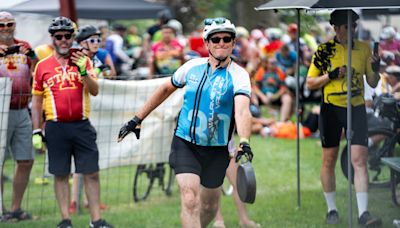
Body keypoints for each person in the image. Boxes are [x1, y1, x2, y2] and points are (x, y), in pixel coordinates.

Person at [118, 17, 254, 228]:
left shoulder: (239, 76)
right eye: (215, 39)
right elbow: (164, 89)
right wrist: (137, 119)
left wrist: (244, 139)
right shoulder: (192, 67)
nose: (221, 43)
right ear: (207, 43)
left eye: (227, 38)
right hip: (185, 143)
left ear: (234, 42)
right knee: (190, 199)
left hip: (217, 150)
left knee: (209, 207)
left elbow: (243, 110)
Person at [31, 16, 113, 228]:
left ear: (73, 37)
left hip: (81, 125)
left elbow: (94, 91)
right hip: (56, 126)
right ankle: (65, 220)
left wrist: (83, 71)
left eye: (68, 36)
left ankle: (96, 221)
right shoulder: (42, 66)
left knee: (92, 172)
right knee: (60, 174)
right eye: (59, 36)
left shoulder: (83, 60)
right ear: (53, 39)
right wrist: (36, 131)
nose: (64, 40)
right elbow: (37, 101)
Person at [306, 10, 382, 226]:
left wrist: (376, 69)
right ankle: (332, 210)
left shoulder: (364, 49)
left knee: (359, 160)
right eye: (348, 26)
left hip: (356, 107)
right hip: (331, 108)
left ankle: (363, 214)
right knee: (329, 159)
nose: (352, 30)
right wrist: (330, 75)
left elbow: (374, 82)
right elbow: (310, 83)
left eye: (354, 26)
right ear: (336, 28)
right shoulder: (324, 51)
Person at [0, 11, 38, 221]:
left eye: (10, 24)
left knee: (26, 160)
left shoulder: (24, 45)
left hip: (22, 108)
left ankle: (15, 208)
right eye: (1, 25)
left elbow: (39, 68)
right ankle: (0, 208)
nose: (6, 28)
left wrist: (31, 54)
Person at [213, 140, 260, 228]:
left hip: (228, 148)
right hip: (209, 150)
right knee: (214, 185)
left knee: (238, 183)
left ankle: (244, 220)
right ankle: (218, 220)